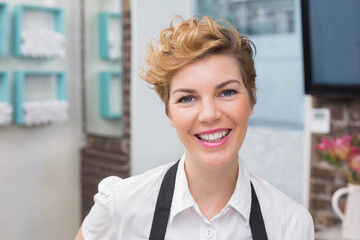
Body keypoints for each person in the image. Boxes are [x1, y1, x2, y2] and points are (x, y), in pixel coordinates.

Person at [76, 16, 314, 240]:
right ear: (169, 112)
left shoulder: (289, 223)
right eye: (187, 98)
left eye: (227, 92)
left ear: (251, 101)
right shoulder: (120, 206)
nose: (209, 114)